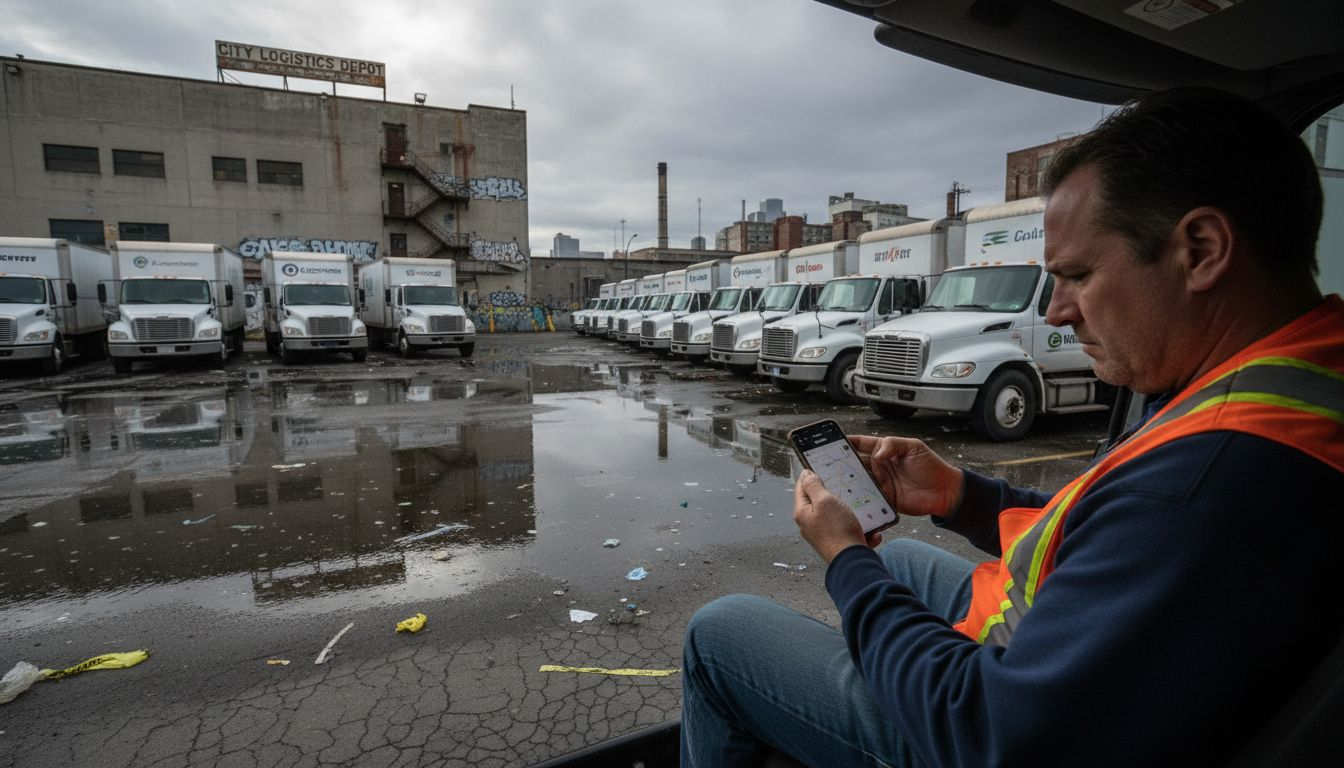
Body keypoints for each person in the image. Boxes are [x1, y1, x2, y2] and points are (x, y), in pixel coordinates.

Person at [681, 86, 1344, 767]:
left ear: (1201, 250)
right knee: (902, 559)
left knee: (720, 632)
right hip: (1063, 659)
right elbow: (1110, 533)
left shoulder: (1207, 484)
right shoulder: (1289, 379)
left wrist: (846, 560)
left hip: (983, 722)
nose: (1056, 311)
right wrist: (963, 496)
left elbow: (988, 735)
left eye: (1077, 275)